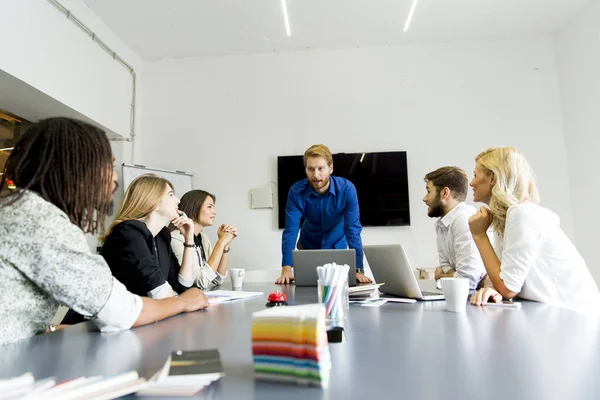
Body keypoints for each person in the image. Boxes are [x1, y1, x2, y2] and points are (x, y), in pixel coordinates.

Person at [0, 117, 208, 346]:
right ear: (75, 168)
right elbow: (122, 311)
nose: (115, 178)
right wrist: (185, 302)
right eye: (108, 166)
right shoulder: (39, 221)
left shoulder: (22, 211)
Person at [468, 147, 600, 314]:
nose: (471, 183)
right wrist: (492, 287)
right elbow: (499, 276)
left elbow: (508, 288)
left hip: (576, 318)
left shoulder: (522, 214)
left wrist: (479, 235)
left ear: (493, 178)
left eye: (475, 175)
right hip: (553, 316)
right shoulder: (507, 219)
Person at [276, 144, 371, 284]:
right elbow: (291, 230)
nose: (316, 175)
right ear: (306, 169)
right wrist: (286, 269)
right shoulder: (296, 192)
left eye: (321, 168)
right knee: (306, 292)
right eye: (311, 169)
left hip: (337, 249)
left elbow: (353, 229)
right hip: (307, 250)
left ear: (331, 168)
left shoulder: (347, 189)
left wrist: (358, 269)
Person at [100, 174, 196, 298]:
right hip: (98, 317)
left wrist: (189, 240)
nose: (178, 200)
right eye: (171, 195)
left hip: (142, 315)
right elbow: (159, 294)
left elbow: (181, 287)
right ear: (153, 202)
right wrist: (188, 300)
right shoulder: (128, 231)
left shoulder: (162, 236)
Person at [423, 166, 486, 290]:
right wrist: (452, 274)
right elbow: (445, 266)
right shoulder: (441, 224)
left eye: (429, 191)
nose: (425, 198)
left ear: (445, 193)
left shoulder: (465, 220)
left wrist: (443, 275)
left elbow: (468, 282)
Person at [171, 190, 238, 290]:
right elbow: (201, 282)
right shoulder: (176, 238)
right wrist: (220, 243)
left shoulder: (203, 238)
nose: (214, 212)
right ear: (194, 207)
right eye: (209, 207)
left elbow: (217, 279)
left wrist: (225, 245)